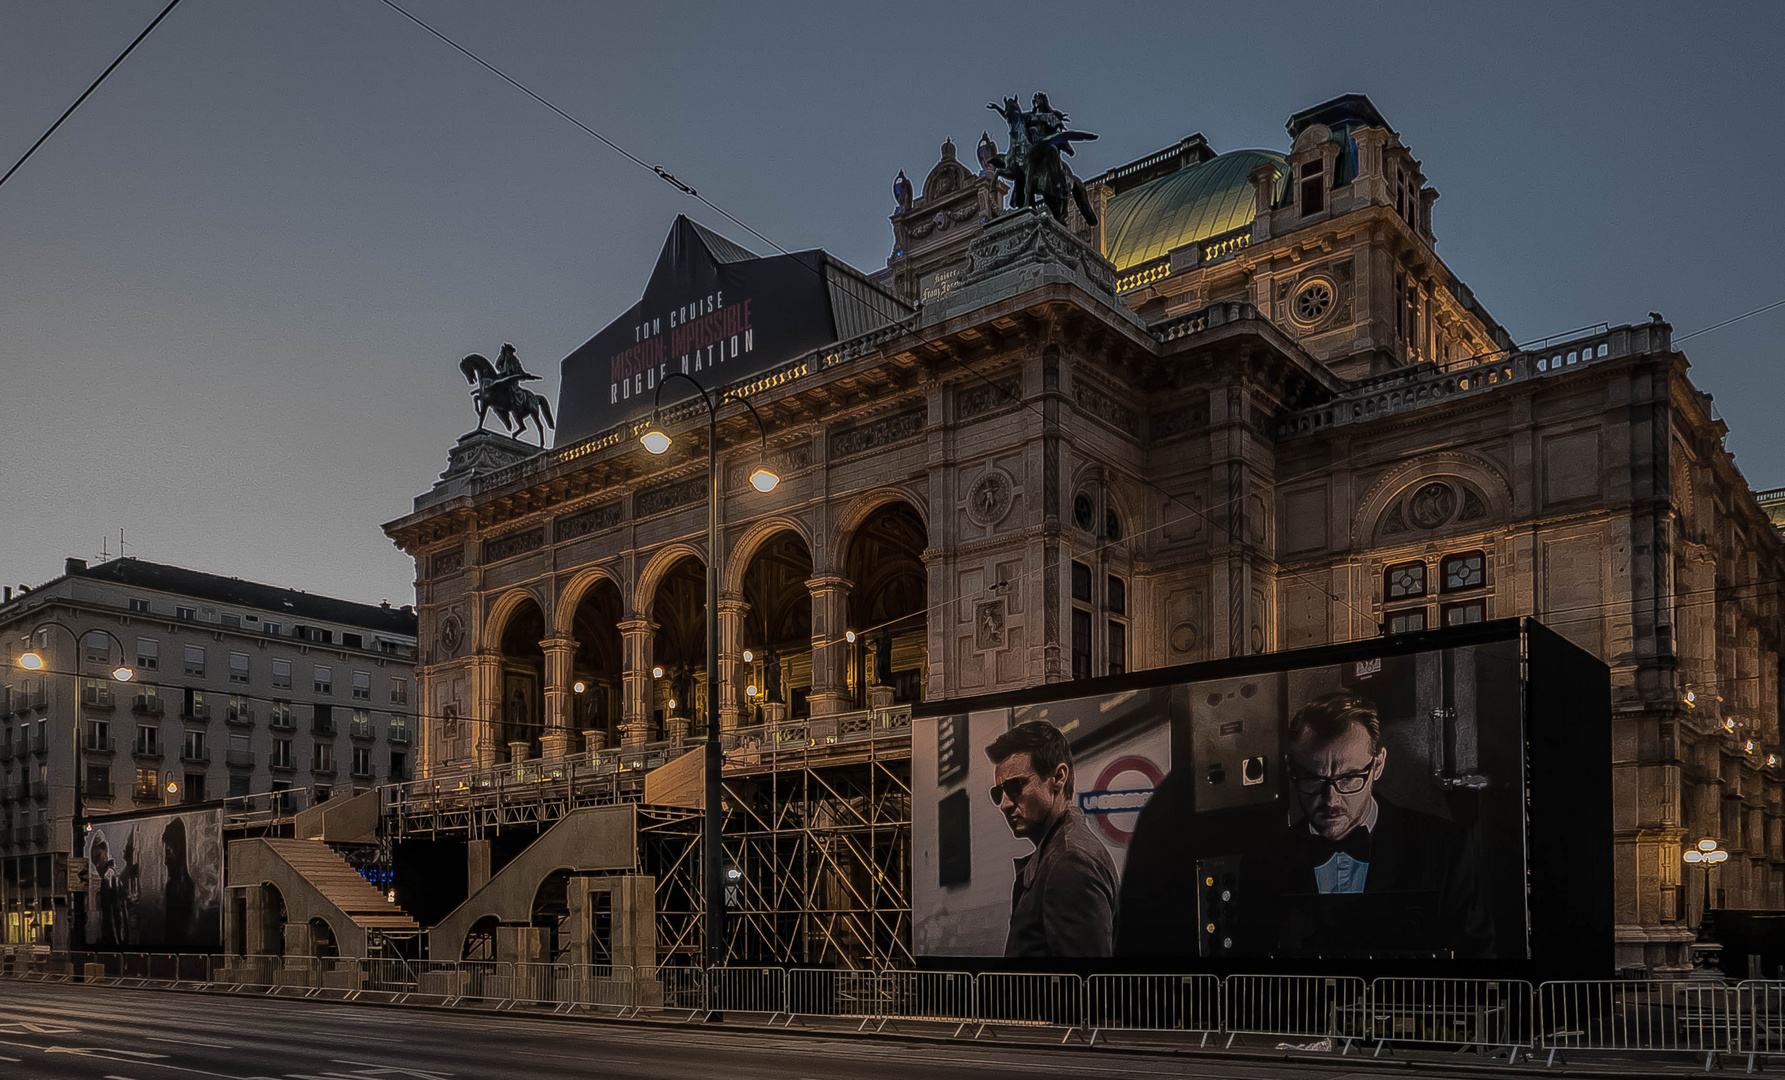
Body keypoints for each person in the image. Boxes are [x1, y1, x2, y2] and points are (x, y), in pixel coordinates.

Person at [1235, 692, 1494, 957]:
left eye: (1348, 778)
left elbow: (1477, 968)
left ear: (1377, 765)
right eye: (1312, 779)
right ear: (1291, 770)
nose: (1330, 799)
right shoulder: (1262, 864)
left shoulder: (1445, 849)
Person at [985, 720, 1118, 957]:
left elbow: (1086, 987)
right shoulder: (1061, 854)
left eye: (1016, 786)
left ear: (1058, 777)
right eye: (998, 793)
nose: (1004, 804)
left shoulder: (1070, 862)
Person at [162, 817, 197, 947]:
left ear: (178, 848)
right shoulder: (176, 885)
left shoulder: (180, 887)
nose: (165, 861)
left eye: (168, 852)